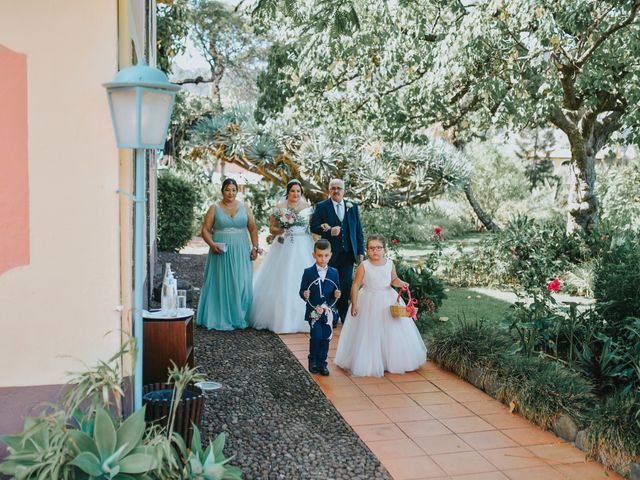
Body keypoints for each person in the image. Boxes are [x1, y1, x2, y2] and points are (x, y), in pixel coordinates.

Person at [334, 234, 427, 377]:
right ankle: (371, 361)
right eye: (371, 248)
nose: (375, 251)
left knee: (391, 331)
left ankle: (389, 360)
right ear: (367, 250)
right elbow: (356, 284)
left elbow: (393, 279)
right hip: (368, 300)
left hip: (387, 299)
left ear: (385, 249)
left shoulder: (389, 264)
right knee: (370, 331)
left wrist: (401, 283)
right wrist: (354, 303)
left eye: (378, 248)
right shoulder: (364, 266)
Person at [249, 179, 315, 333]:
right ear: (288, 192)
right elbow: (272, 227)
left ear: (301, 193)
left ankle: (306, 317)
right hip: (283, 244)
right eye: (292, 191)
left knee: (304, 278)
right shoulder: (279, 207)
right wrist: (280, 230)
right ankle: (280, 318)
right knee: (283, 277)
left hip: (303, 245)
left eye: (298, 191)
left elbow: (312, 227)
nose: (295, 194)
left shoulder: (308, 208)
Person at [197, 178, 259, 330]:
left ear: (237, 191)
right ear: (222, 191)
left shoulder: (245, 207)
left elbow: (252, 229)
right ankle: (221, 316)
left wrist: (255, 247)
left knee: (242, 283)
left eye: (233, 190)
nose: (230, 193)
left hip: (241, 250)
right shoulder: (214, 208)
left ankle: (240, 316)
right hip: (221, 251)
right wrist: (212, 244)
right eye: (227, 189)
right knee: (223, 283)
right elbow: (205, 230)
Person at [310, 178, 364, 327]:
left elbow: (358, 230)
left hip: (347, 254)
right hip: (329, 254)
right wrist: (327, 230)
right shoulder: (322, 206)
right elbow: (314, 227)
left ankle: (344, 316)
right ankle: (330, 316)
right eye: (333, 188)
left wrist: (360, 251)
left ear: (344, 190)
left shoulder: (352, 206)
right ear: (329, 191)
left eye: (339, 188)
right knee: (329, 285)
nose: (336, 190)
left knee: (345, 286)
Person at [299, 239, 341, 376]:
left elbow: (337, 290)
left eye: (326, 255)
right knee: (316, 336)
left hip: (328, 312)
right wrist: (305, 294)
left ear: (330, 255)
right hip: (314, 312)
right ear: (314, 255)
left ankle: (322, 363)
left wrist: (337, 294)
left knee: (325, 338)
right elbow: (302, 291)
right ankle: (313, 361)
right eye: (319, 255)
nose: (323, 259)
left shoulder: (334, 272)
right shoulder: (308, 272)